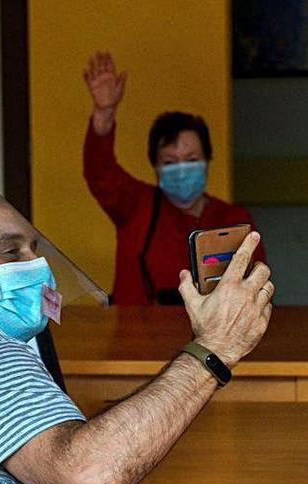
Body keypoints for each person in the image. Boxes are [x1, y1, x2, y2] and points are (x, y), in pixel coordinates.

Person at [0, 190, 274, 484]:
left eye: (34, 248)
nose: (37, 263)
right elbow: (88, 476)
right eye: (11, 253)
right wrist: (214, 347)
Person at [83, 51, 267, 306]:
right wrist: (104, 113)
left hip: (210, 341)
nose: (181, 170)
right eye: (170, 162)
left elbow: (256, 288)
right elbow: (99, 172)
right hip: (137, 340)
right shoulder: (137, 205)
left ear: (207, 160)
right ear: (156, 166)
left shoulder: (233, 220)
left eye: (191, 160)